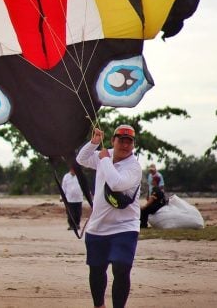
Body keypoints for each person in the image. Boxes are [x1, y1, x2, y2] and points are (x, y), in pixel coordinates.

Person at [76, 124, 142, 308]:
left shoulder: (134, 167)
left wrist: (104, 160)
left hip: (125, 226)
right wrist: (93, 143)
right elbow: (81, 159)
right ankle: (99, 305)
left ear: (133, 145)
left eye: (129, 142)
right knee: (96, 269)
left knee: (121, 268)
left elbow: (116, 183)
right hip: (98, 227)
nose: (124, 145)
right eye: (121, 140)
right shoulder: (105, 154)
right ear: (113, 140)